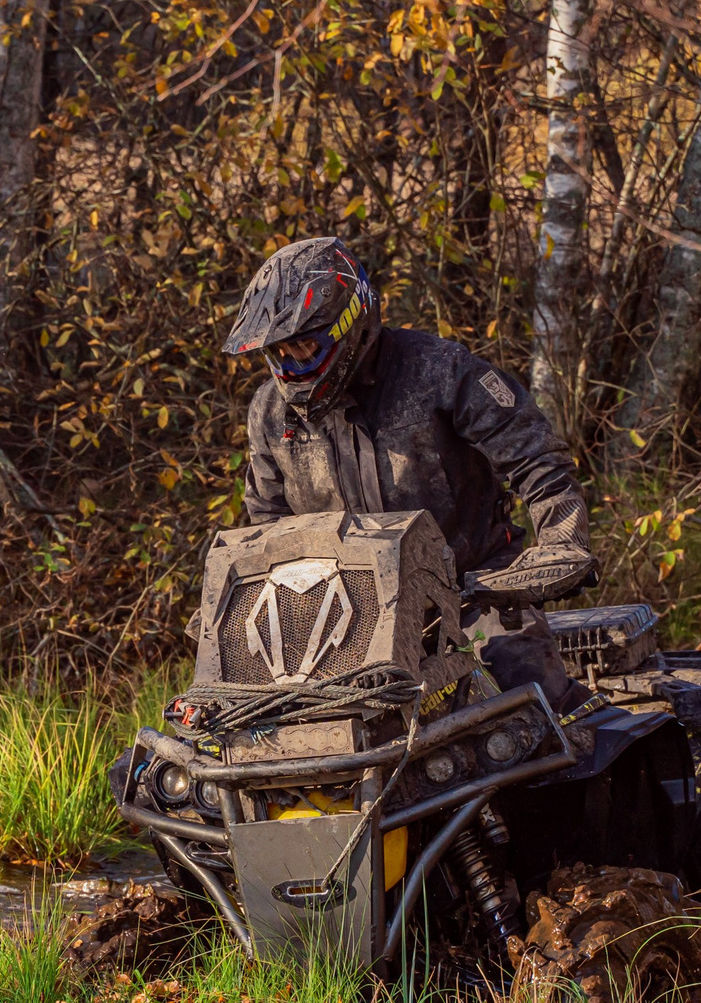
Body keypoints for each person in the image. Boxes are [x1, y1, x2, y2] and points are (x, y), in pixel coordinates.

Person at [224, 235, 596, 708]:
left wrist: (563, 541)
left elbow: (536, 457)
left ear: (349, 324)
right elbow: (267, 524)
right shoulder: (271, 414)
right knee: (256, 727)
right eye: (278, 355)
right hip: (344, 617)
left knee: (531, 705)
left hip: (472, 594)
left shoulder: (441, 372)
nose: (291, 368)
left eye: (303, 349)